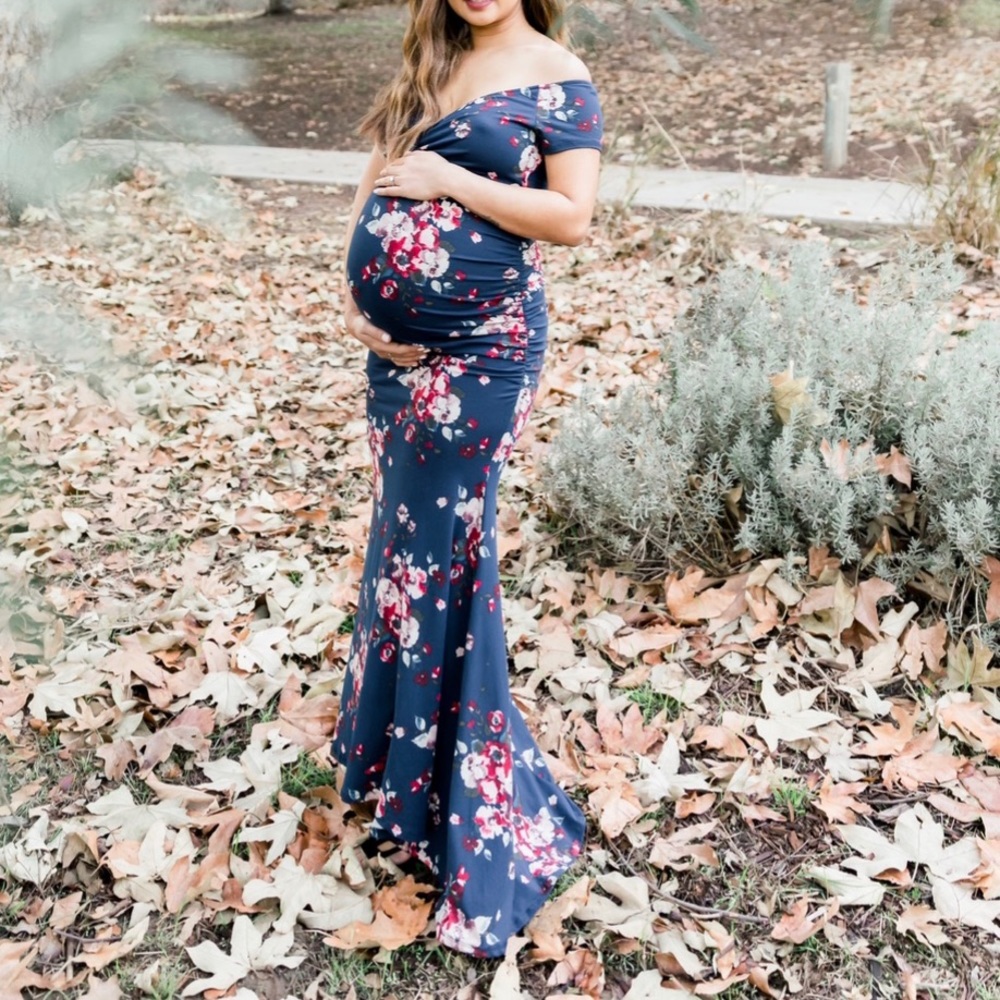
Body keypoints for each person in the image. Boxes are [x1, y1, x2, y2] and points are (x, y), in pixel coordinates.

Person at [331, 0, 604, 959]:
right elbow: (378, 177)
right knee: (403, 551)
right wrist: (354, 300)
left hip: (485, 353)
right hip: (395, 361)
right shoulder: (431, 57)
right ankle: (398, 776)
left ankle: (465, 809)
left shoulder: (559, 75)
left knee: (445, 558)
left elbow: (571, 217)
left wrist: (450, 178)